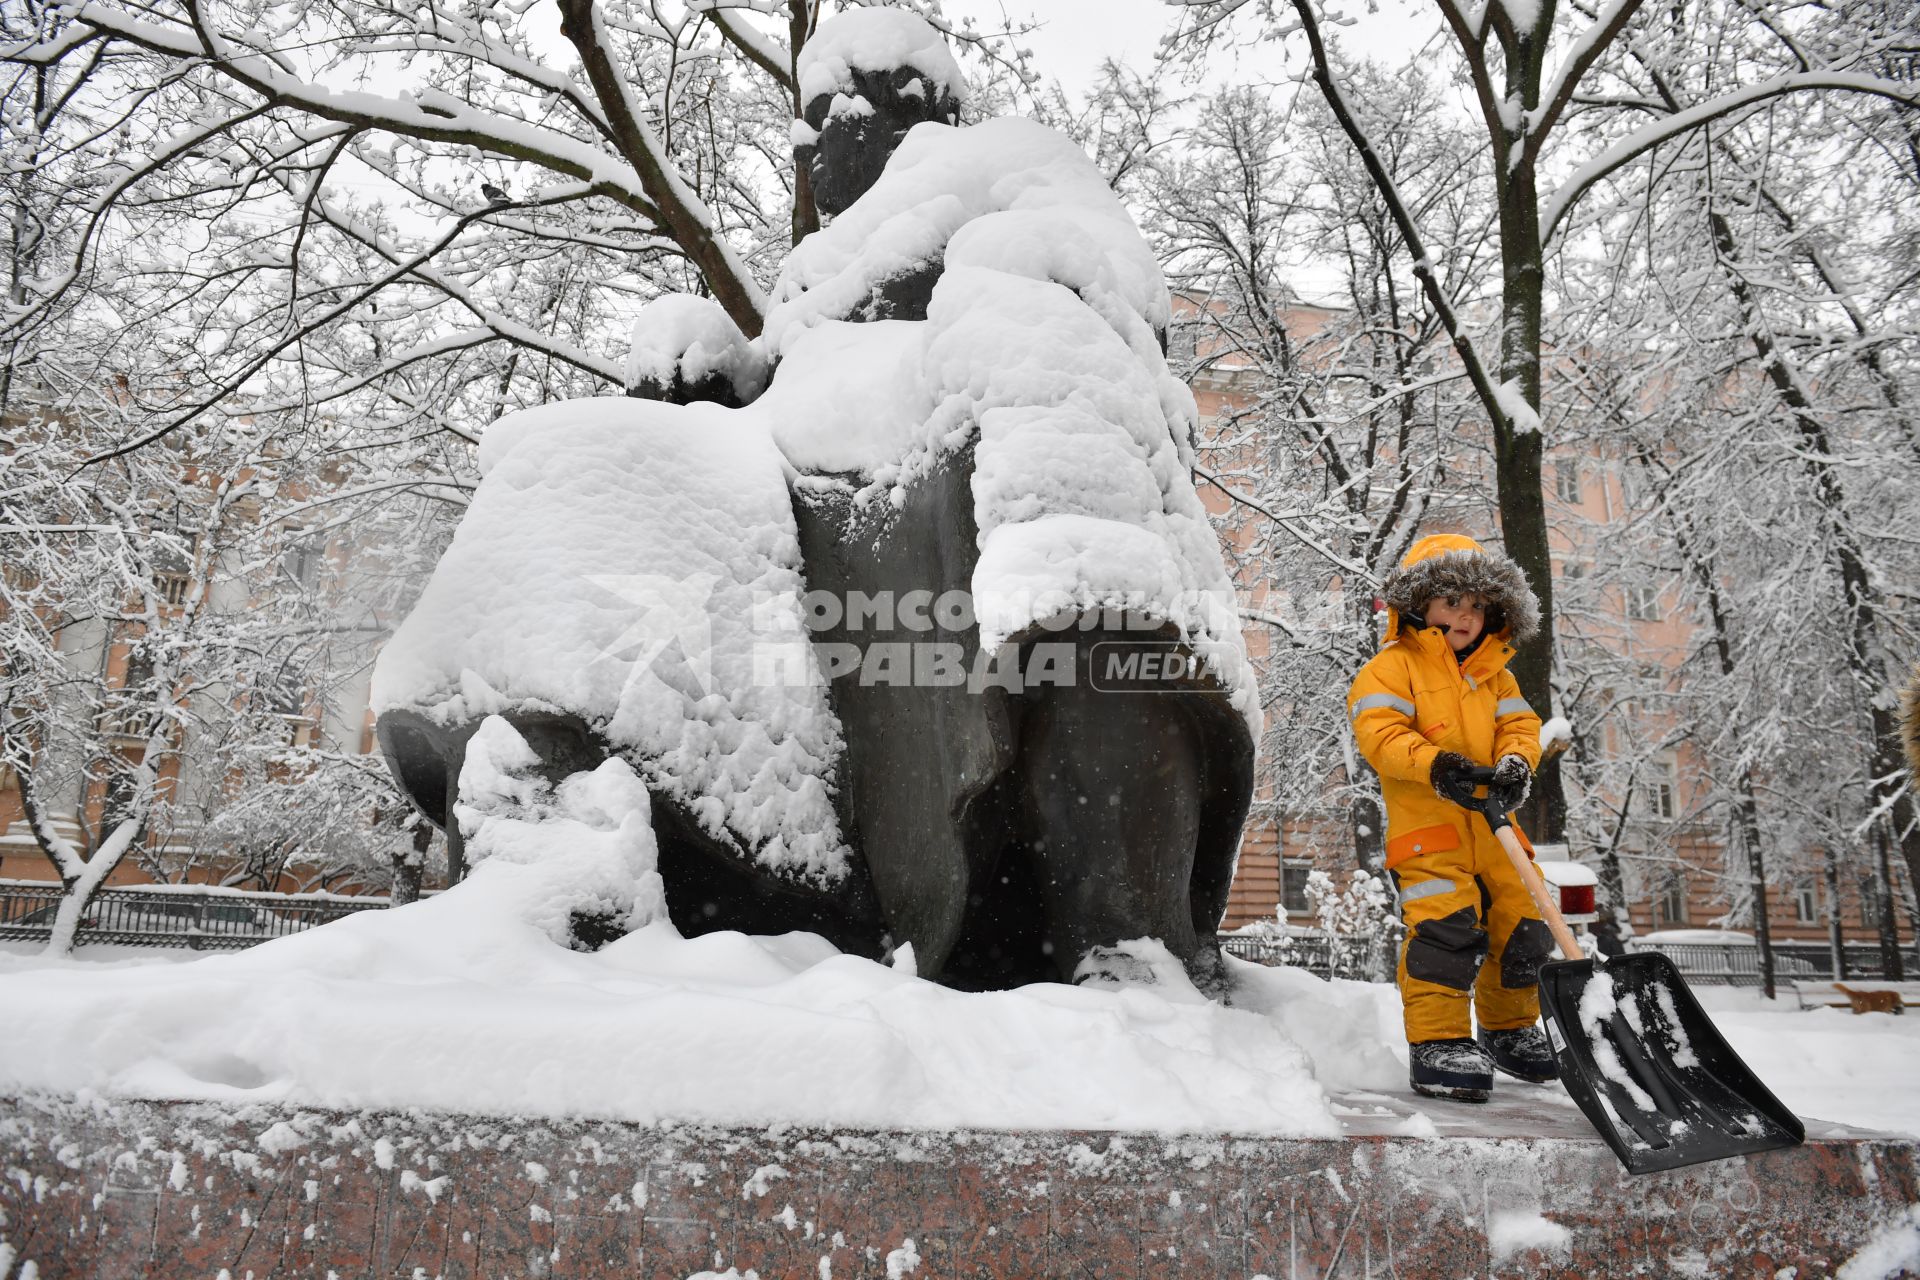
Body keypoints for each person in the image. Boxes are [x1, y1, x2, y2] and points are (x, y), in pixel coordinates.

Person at [1348, 533, 1556, 1102]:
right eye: (1451, 602)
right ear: (1419, 604)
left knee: (1525, 923)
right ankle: (1438, 1043)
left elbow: (1521, 727)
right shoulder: (1393, 668)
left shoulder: (1497, 675)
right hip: (1431, 833)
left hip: (1496, 830)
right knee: (1446, 932)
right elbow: (1381, 736)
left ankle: (1508, 1029)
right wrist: (1438, 766)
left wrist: (1516, 762)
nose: (1465, 616)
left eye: (1476, 605)